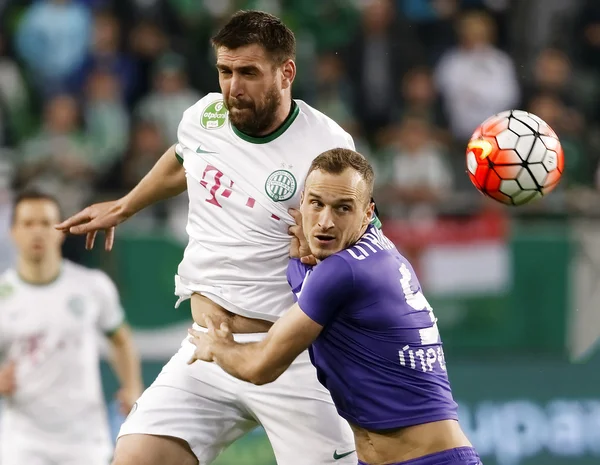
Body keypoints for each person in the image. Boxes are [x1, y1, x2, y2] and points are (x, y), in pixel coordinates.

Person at [56, 10, 368, 465]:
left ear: (287, 72)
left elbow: (360, 245)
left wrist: (324, 251)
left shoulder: (327, 148)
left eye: (248, 73)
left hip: (296, 357)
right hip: (208, 347)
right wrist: (125, 206)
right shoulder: (204, 116)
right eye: (225, 71)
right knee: (135, 458)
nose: (233, 87)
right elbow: (184, 158)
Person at [187, 148, 482, 465]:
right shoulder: (376, 251)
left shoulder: (345, 272)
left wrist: (218, 346)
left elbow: (260, 366)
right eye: (316, 204)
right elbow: (316, 289)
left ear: (367, 213)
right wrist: (297, 264)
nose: (325, 222)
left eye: (343, 208)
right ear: (301, 203)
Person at [0, 191, 143, 465]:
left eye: (46, 223)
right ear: (13, 232)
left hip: (85, 438)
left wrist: (133, 387)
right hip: (23, 440)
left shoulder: (92, 286)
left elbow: (121, 338)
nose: (37, 232)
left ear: (61, 231)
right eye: (28, 224)